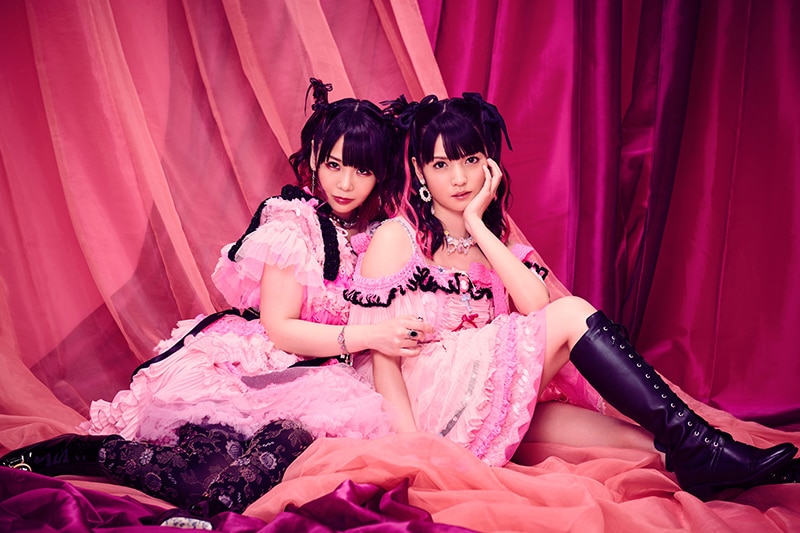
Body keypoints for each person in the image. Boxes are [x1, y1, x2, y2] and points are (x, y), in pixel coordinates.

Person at [0, 79, 433, 519]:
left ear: (380, 174)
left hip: (327, 380)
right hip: (260, 365)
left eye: (361, 170)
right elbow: (281, 329)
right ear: (315, 159)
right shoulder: (295, 225)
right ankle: (74, 452)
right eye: (334, 165)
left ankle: (200, 519)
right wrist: (371, 336)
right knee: (200, 469)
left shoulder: (382, 235)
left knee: (284, 447)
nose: (344, 183)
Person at [345, 93, 798, 501]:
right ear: (420, 171)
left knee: (649, 447)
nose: (459, 177)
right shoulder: (396, 238)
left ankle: (726, 463)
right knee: (573, 312)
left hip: (487, 401)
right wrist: (413, 447)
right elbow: (380, 356)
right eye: (442, 164)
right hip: (425, 409)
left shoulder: (497, 239)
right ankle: (707, 446)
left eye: (471, 159)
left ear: (489, 165)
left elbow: (534, 304)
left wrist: (479, 225)